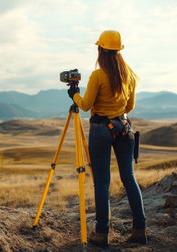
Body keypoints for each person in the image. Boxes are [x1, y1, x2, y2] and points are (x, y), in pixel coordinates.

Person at [68, 30, 146, 247]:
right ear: (119, 51)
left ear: (100, 50)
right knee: (129, 178)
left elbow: (84, 105)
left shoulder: (98, 76)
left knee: (102, 182)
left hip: (101, 130)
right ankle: (140, 229)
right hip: (124, 129)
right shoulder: (129, 75)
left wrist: (74, 93)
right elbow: (130, 107)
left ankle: (102, 235)